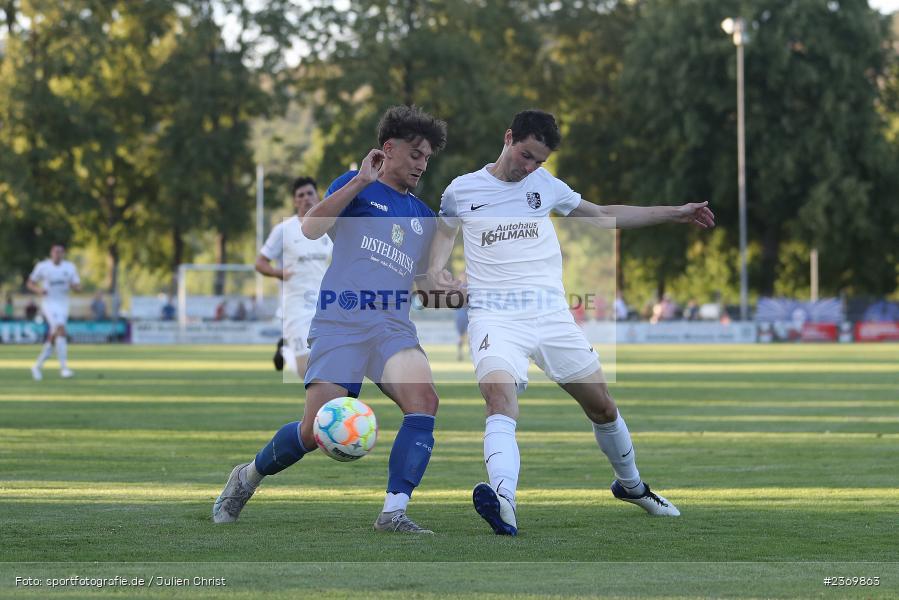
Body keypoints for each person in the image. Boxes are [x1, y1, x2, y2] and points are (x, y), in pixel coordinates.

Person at [427, 109, 715, 535]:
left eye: (539, 162)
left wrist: (676, 213)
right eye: (526, 156)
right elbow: (435, 267)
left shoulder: (545, 186)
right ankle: (504, 500)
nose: (530, 168)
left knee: (602, 406)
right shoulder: (461, 191)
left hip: (551, 315)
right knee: (498, 399)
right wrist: (442, 284)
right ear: (508, 138)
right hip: (495, 317)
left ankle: (632, 486)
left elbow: (601, 216)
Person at [213, 105, 449, 534]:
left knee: (425, 402)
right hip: (342, 323)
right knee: (313, 432)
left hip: (392, 328)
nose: (421, 163)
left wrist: (459, 290)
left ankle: (393, 513)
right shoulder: (357, 186)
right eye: (415, 153)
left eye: (427, 157)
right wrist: (361, 178)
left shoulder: (424, 217)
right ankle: (247, 476)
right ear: (388, 149)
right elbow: (310, 229)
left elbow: (425, 284)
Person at [255, 176, 333, 377]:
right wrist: (278, 273)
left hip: (324, 305)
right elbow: (260, 262)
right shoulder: (284, 229)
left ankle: (326, 407)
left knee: (326, 366)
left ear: (318, 196)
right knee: (304, 371)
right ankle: (286, 351)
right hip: (296, 306)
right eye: (301, 195)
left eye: (310, 193)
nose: (306, 198)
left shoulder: (329, 229)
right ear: (294, 201)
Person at [27, 244, 82, 380]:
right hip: (49, 303)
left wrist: (75, 287)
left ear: (63, 254)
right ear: (51, 253)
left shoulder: (70, 268)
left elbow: (78, 287)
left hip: (63, 304)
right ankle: (64, 368)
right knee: (60, 329)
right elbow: (30, 283)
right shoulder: (42, 266)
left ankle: (37, 366)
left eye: (60, 252)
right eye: (55, 252)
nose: (58, 254)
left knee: (54, 335)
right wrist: (39, 290)